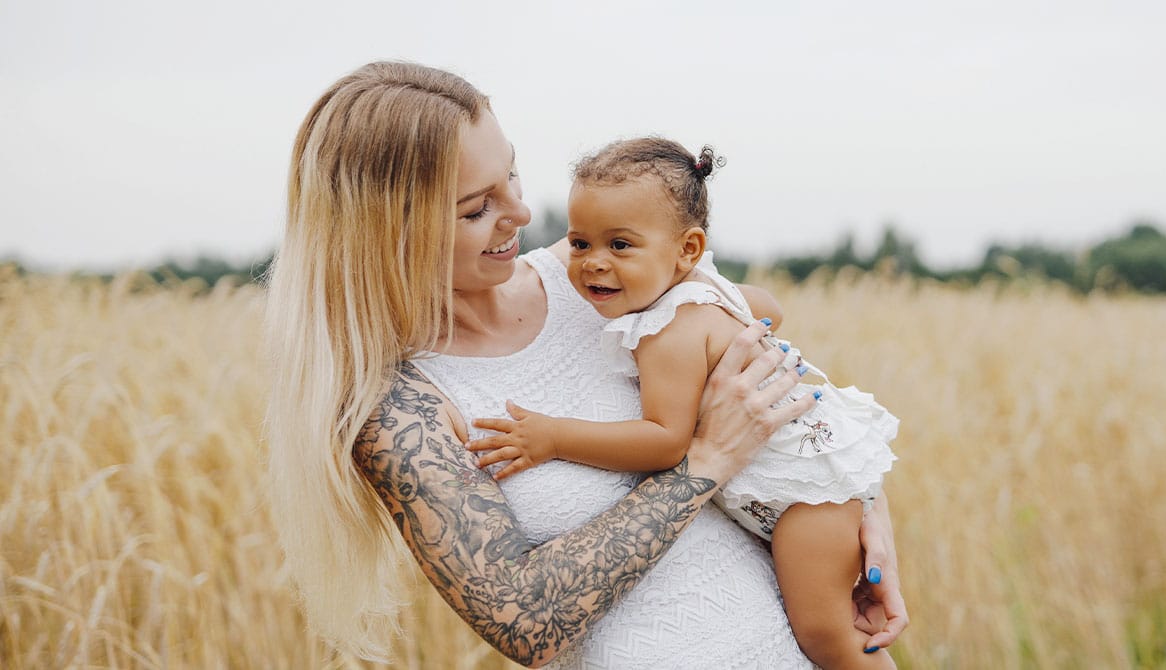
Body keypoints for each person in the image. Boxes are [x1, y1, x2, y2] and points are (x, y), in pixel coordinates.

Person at [264, 61, 908, 669]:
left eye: (510, 176)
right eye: (476, 208)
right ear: (387, 232)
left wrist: (859, 514)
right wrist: (705, 463)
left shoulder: (602, 275)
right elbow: (522, 620)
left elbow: (777, 383)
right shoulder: (398, 406)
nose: (519, 212)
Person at [463, 137, 900, 669]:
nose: (593, 264)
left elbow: (666, 441)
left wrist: (554, 437)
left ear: (687, 248)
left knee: (828, 632)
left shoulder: (667, 332)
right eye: (579, 244)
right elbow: (771, 309)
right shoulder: (699, 287)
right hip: (816, 479)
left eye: (620, 246)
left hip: (807, 496)